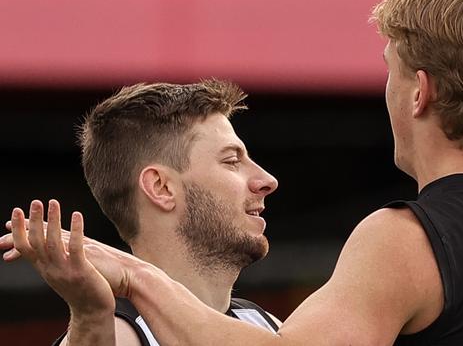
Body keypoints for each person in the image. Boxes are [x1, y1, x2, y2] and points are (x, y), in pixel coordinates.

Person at [3, 0, 463, 344]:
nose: (266, 179)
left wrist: (132, 277)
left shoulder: (408, 242)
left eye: (392, 73)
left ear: (419, 91)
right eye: (234, 159)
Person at [2, 80, 281, 345]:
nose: (267, 180)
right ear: (161, 187)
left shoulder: (264, 325)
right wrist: (90, 317)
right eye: (232, 161)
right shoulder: (119, 334)